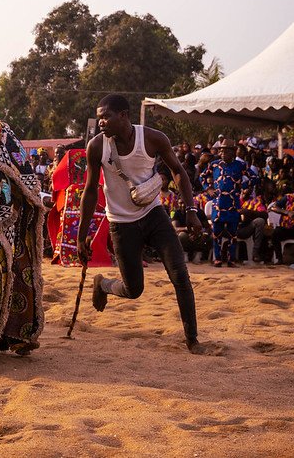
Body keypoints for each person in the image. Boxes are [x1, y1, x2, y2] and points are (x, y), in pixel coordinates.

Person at [77, 94, 204, 354]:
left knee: (180, 274)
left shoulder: (153, 138)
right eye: (99, 117)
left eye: (106, 116)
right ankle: (103, 284)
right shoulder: (97, 146)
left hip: (154, 214)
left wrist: (191, 210)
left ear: (123, 115)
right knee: (133, 290)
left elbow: (178, 171)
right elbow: (90, 191)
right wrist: (81, 235)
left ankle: (192, 339)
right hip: (121, 223)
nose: (101, 122)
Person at [199, 139, 259, 267]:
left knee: (232, 233)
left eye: (225, 151)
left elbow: (255, 178)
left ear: (232, 152)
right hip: (218, 203)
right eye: (221, 151)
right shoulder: (214, 164)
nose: (222, 154)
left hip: (233, 204)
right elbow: (201, 176)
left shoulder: (240, 165)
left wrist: (242, 185)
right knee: (217, 233)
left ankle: (231, 260)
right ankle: (218, 259)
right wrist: (208, 189)